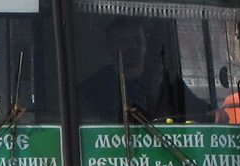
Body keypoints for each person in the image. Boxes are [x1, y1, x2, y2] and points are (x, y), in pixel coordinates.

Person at [78, 17, 217, 123]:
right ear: (110, 46)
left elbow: (203, 113)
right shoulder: (92, 90)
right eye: (124, 41)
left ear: (145, 43)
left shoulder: (166, 84)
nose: (132, 46)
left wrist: (217, 115)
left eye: (137, 39)